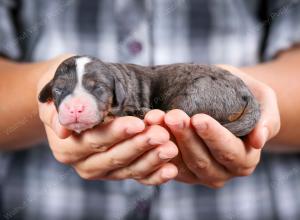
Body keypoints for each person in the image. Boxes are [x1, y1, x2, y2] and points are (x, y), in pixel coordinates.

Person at [0, 0, 299, 219]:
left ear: (118, 89)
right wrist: (38, 90)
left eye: (96, 89)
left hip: (248, 207)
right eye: (62, 91)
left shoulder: (133, 97)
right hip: (47, 205)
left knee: (182, 113)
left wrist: (256, 115)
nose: (76, 106)